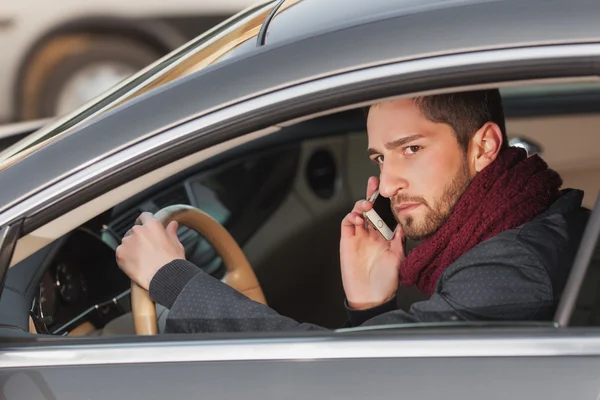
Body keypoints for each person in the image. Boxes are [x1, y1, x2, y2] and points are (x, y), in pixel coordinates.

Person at [116, 89, 588, 333]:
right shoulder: (526, 226)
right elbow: (398, 378)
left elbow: (331, 378)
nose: (386, 184)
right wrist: (369, 306)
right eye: (381, 158)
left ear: (483, 146)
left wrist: (173, 281)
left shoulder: (512, 271)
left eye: (411, 149)